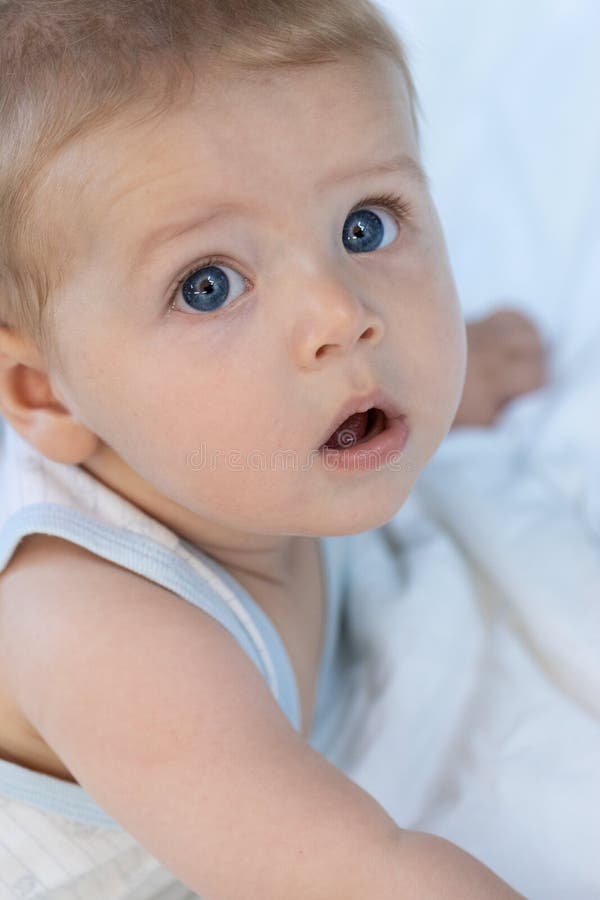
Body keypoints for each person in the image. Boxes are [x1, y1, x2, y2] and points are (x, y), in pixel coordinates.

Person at [0, 1, 540, 896]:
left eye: (365, 226)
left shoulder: (258, 429)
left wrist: (444, 365)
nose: (343, 316)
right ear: (47, 391)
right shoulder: (102, 637)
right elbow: (359, 877)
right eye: (209, 286)